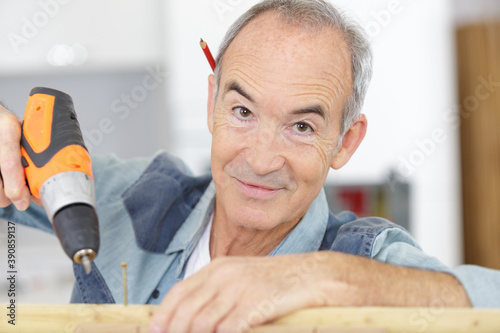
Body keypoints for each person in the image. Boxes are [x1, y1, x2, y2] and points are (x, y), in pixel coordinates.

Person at [0, 0, 499, 332]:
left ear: (345, 142)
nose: (260, 160)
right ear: (213, 100)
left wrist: (321, 279)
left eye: (301, 127)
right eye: (242, 112)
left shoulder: (364, 257)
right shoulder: (135, 199)